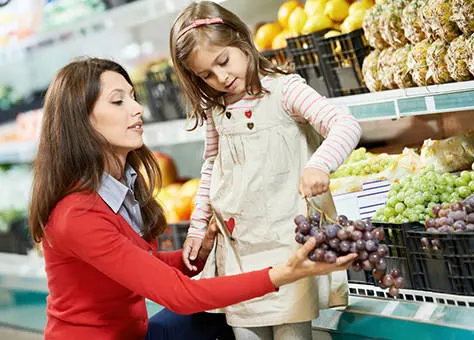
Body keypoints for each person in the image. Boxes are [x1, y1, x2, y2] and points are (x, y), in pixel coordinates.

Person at [28, 57, 357, 340]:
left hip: (134, 333)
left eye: (133, 96)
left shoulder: (118, 187)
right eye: (119, 101)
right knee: (204, 313)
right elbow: (179, 296)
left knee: (215, 318)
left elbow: (141, 266)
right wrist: (285, 273)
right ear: (81, 121)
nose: (138, 109)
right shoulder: (77, 214)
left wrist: (200, 254)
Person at [170, 2, 362, 339]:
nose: (221, 78)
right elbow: (212, 166)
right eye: (206, 75)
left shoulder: (285, 90)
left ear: (242, 41)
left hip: (287, 243)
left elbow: (344, 123)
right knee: (245, 331)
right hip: (239, 245)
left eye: (223, 61)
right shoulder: (216, 110)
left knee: (292, 330)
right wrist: (197, 227)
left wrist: (319, 164)